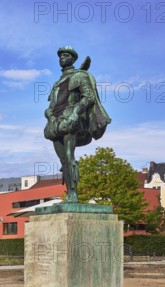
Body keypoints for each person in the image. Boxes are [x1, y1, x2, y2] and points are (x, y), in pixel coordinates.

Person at [44, 46, 111, 203]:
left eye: (65, 55)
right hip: (56, 123)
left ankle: (73, 193)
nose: (62, 58)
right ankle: (68, 191)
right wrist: (49, 116)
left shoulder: (79, 76)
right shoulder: (57, 83)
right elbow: (51, 107)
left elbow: (88, 97)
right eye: (60, 56)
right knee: (63, 161)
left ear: (73, 59)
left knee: (69, 156)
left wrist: (75, 112)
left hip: (71, 120)